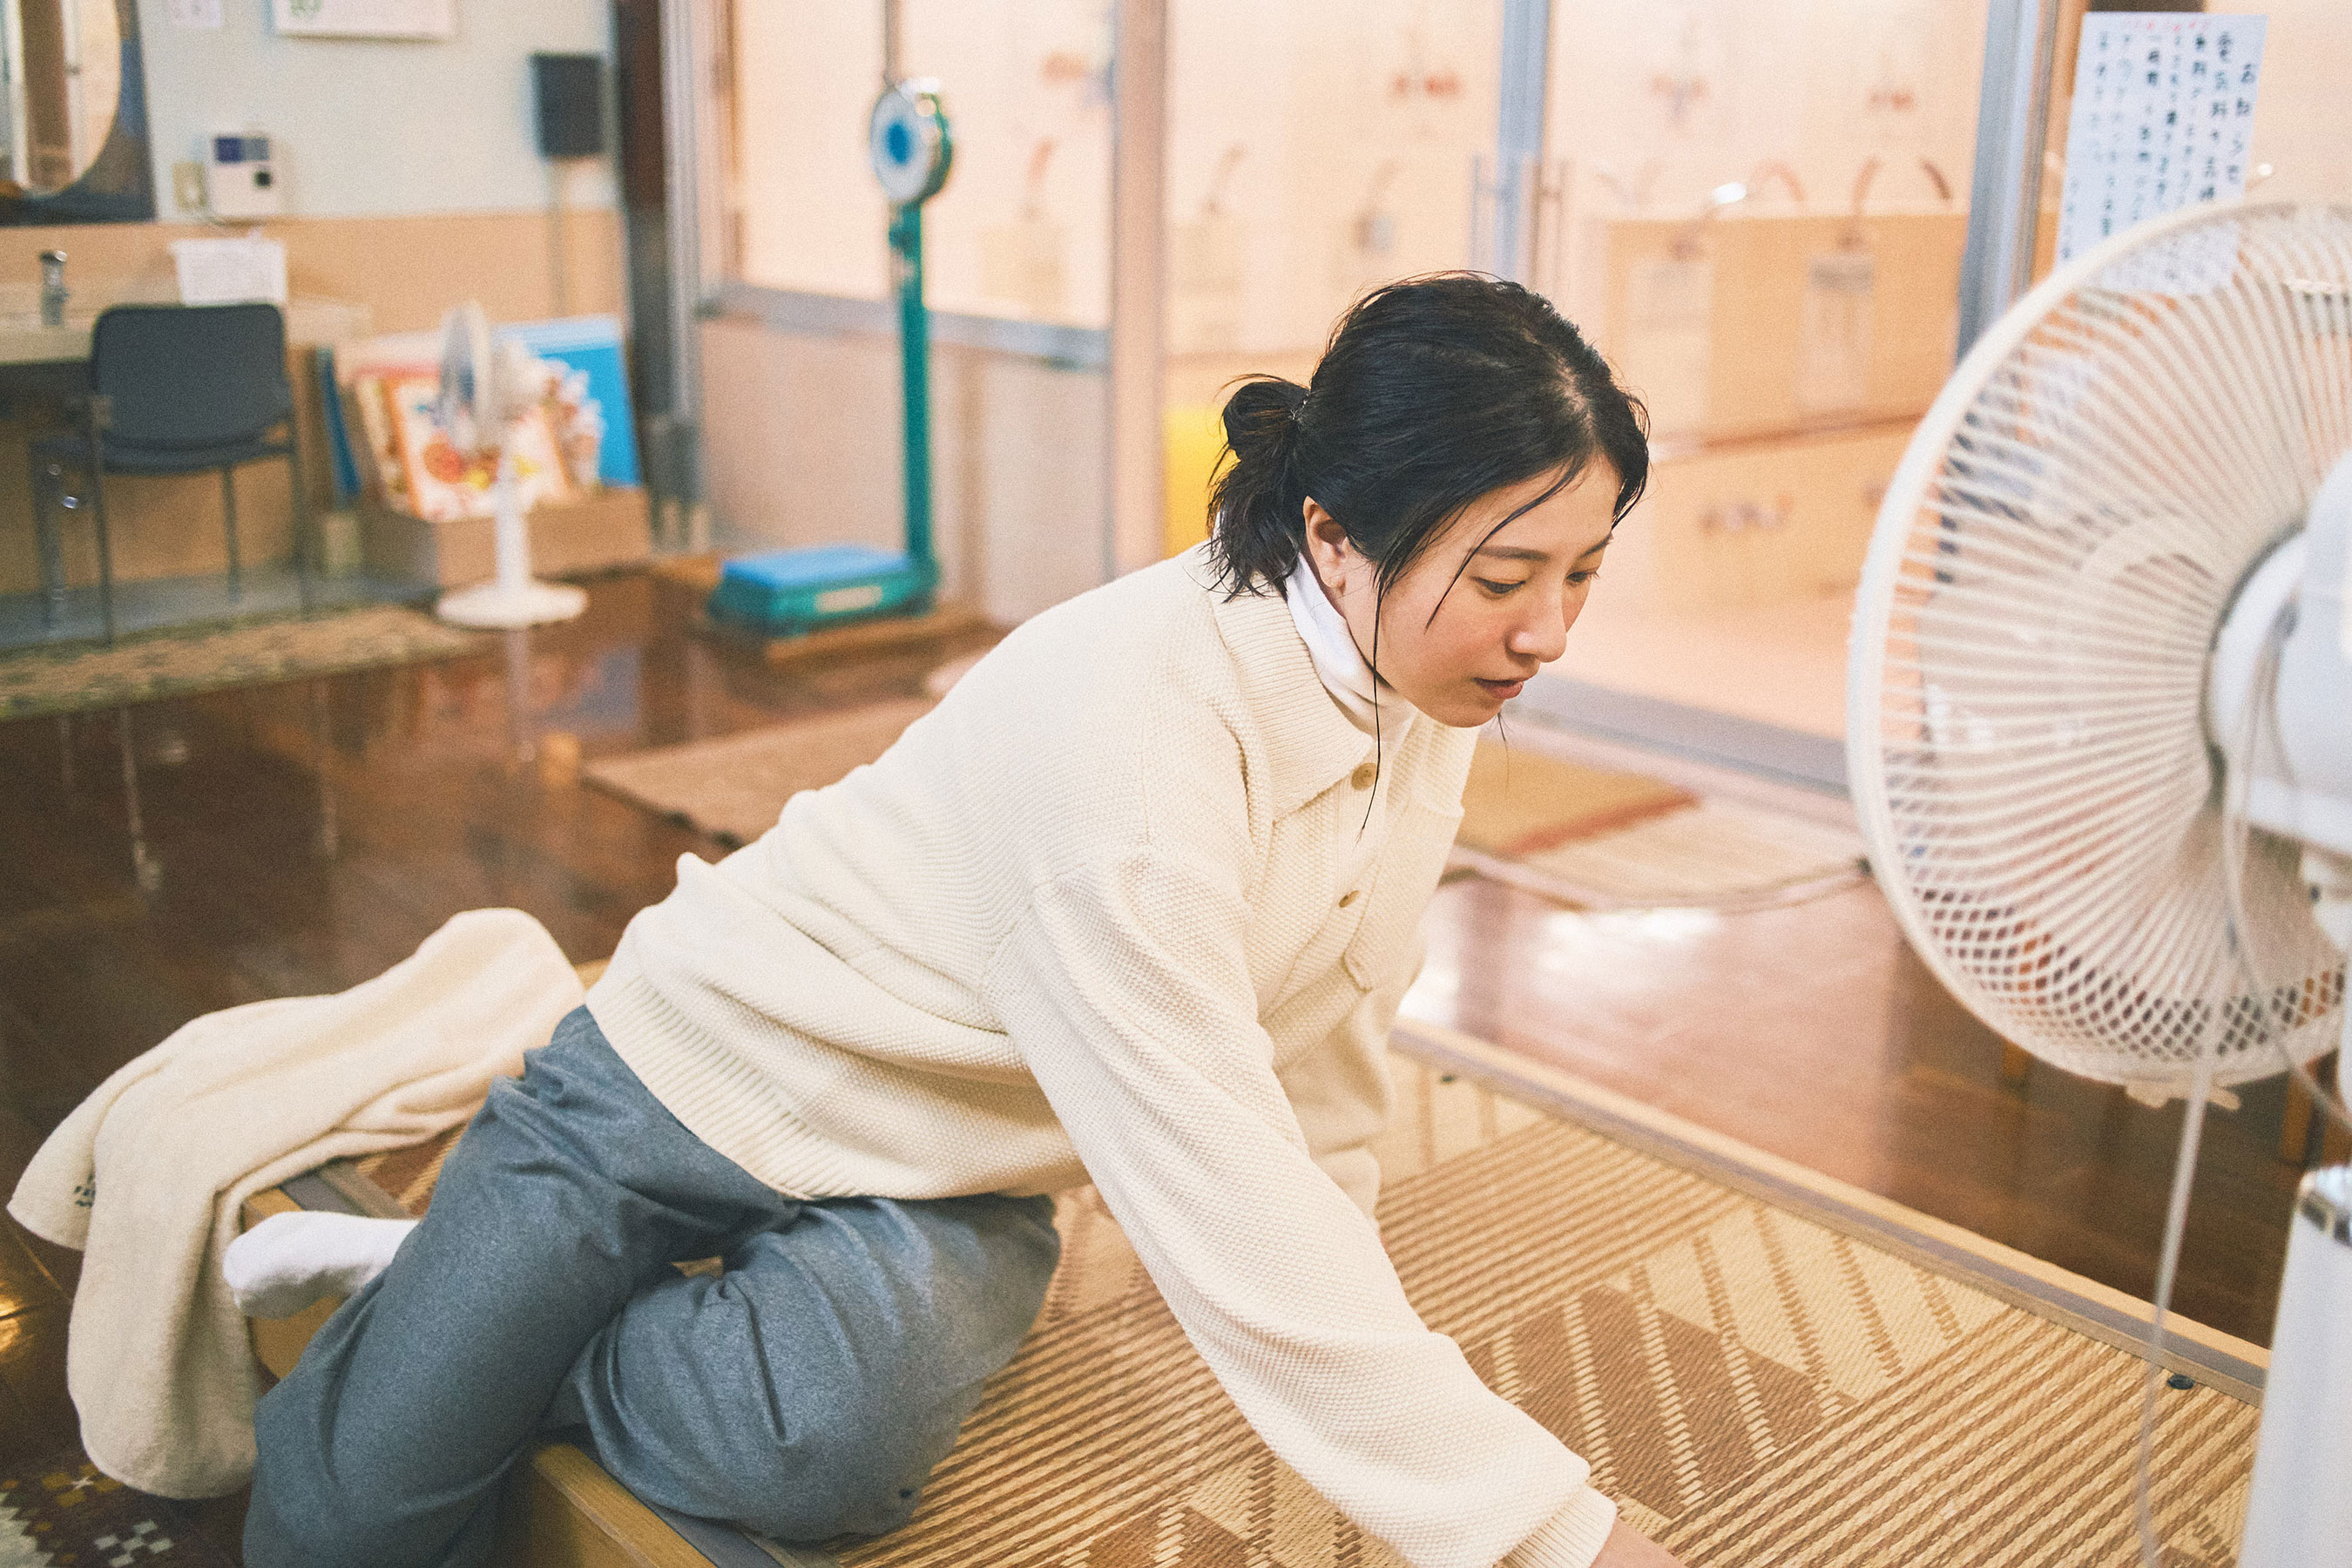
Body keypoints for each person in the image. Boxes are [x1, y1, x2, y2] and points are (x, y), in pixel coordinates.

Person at [236, 274, 1686, 1568]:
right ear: (1334, 534)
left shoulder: (1418, 684)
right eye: (1506, 579)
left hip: (947, 1159)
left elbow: (1323, 1042)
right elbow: (1219, 1191)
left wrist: (1344, 1285)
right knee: (354, 1510)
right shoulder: (1141, 760)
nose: (1548, 633)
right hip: (681, 1078)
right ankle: (459, 1316)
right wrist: (1559, 1538)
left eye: (1581, 576)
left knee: (821, 1457)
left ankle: (511, 1339)